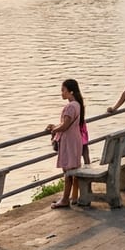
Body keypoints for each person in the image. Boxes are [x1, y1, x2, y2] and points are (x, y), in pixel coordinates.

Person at [47, 79, 85, 207]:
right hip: (76, 139)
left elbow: (65, 126)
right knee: (73, 169)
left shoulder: (70, 106)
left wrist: (53, 129)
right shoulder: (78, 105)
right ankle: (73, 197)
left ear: (71, 91)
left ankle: (64, 199)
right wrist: (56, 126)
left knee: (67, 171)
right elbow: (67, 124)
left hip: (69, 141)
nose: (61, 93)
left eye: (63, 90)